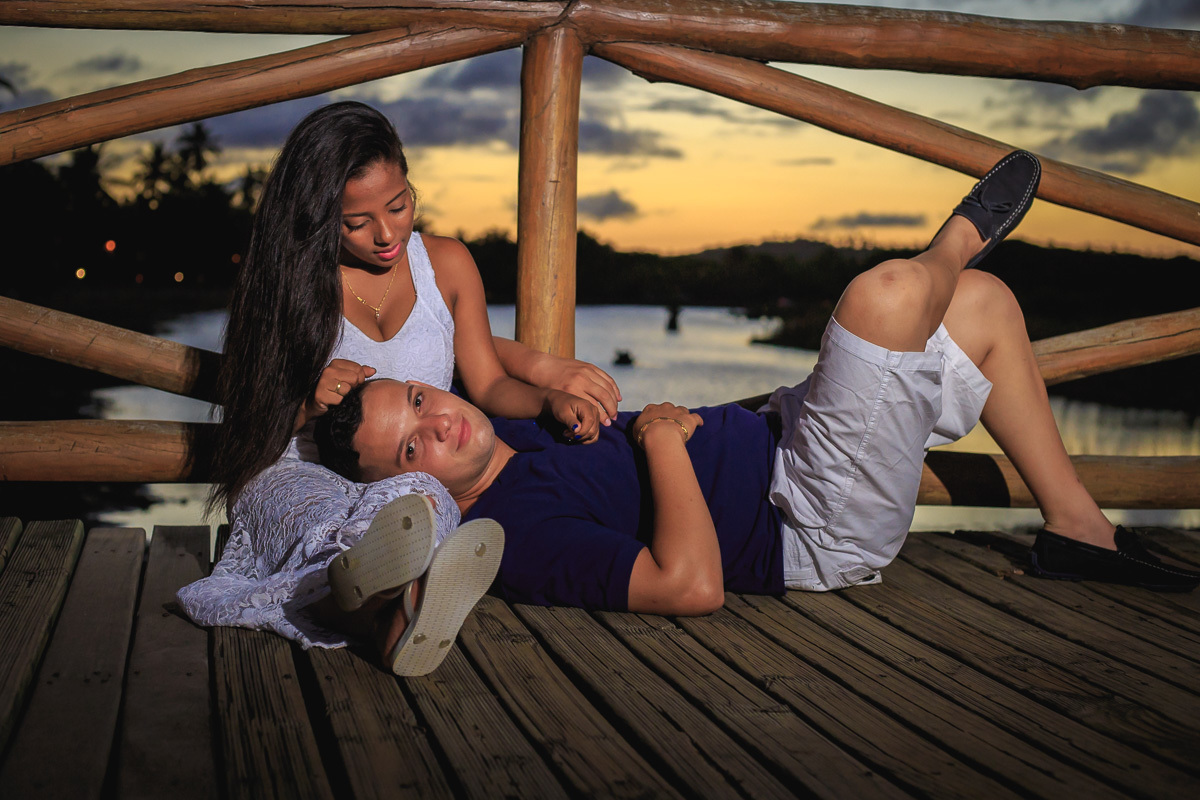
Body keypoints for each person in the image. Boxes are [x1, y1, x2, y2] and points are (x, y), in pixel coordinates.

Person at [315, 151, 1200, 628]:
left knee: (981, 311)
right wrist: (661, 442)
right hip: (808, 518)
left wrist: (554, 391)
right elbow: (690, 585)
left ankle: (1077, 529)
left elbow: (495, 378)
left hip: (782, 433)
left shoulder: (518, 441)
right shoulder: (514, 533)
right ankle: (960, 235)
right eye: (410, 447)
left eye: (425, 401)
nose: (440, 425)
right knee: (891, 296)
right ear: (408, 485)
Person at [179, 101, 616, 651]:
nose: (386, 234)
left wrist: (547, 397)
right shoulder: (288, 290)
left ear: (411, 185)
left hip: (400, 475)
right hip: (298, 469)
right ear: (317, 217)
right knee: (322, 515)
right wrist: (306, 404)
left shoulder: (448, 265)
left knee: (420, 500)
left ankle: (388, 610)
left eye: (399, 205)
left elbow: (488, 386)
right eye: (356, 223)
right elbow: (250, 427)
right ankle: (386, 619)